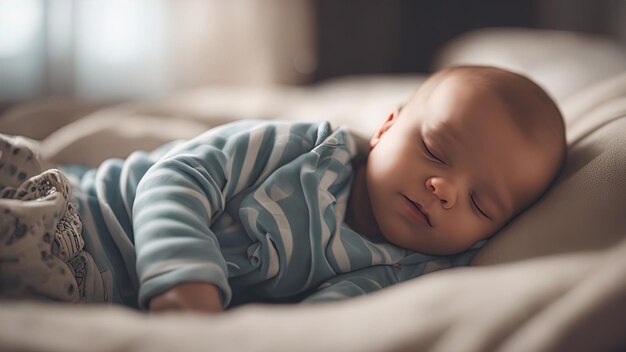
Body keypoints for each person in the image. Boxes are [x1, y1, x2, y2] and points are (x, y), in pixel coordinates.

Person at [0, 66, 566, 314]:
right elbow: (175, 177)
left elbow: (319, 324)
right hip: (86, 215)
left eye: (479, 203)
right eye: (436, 151)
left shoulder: (412, 270)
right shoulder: (310, 149)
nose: (444, 188)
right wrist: (186, 279)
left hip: (98, 292)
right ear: (389, 126)